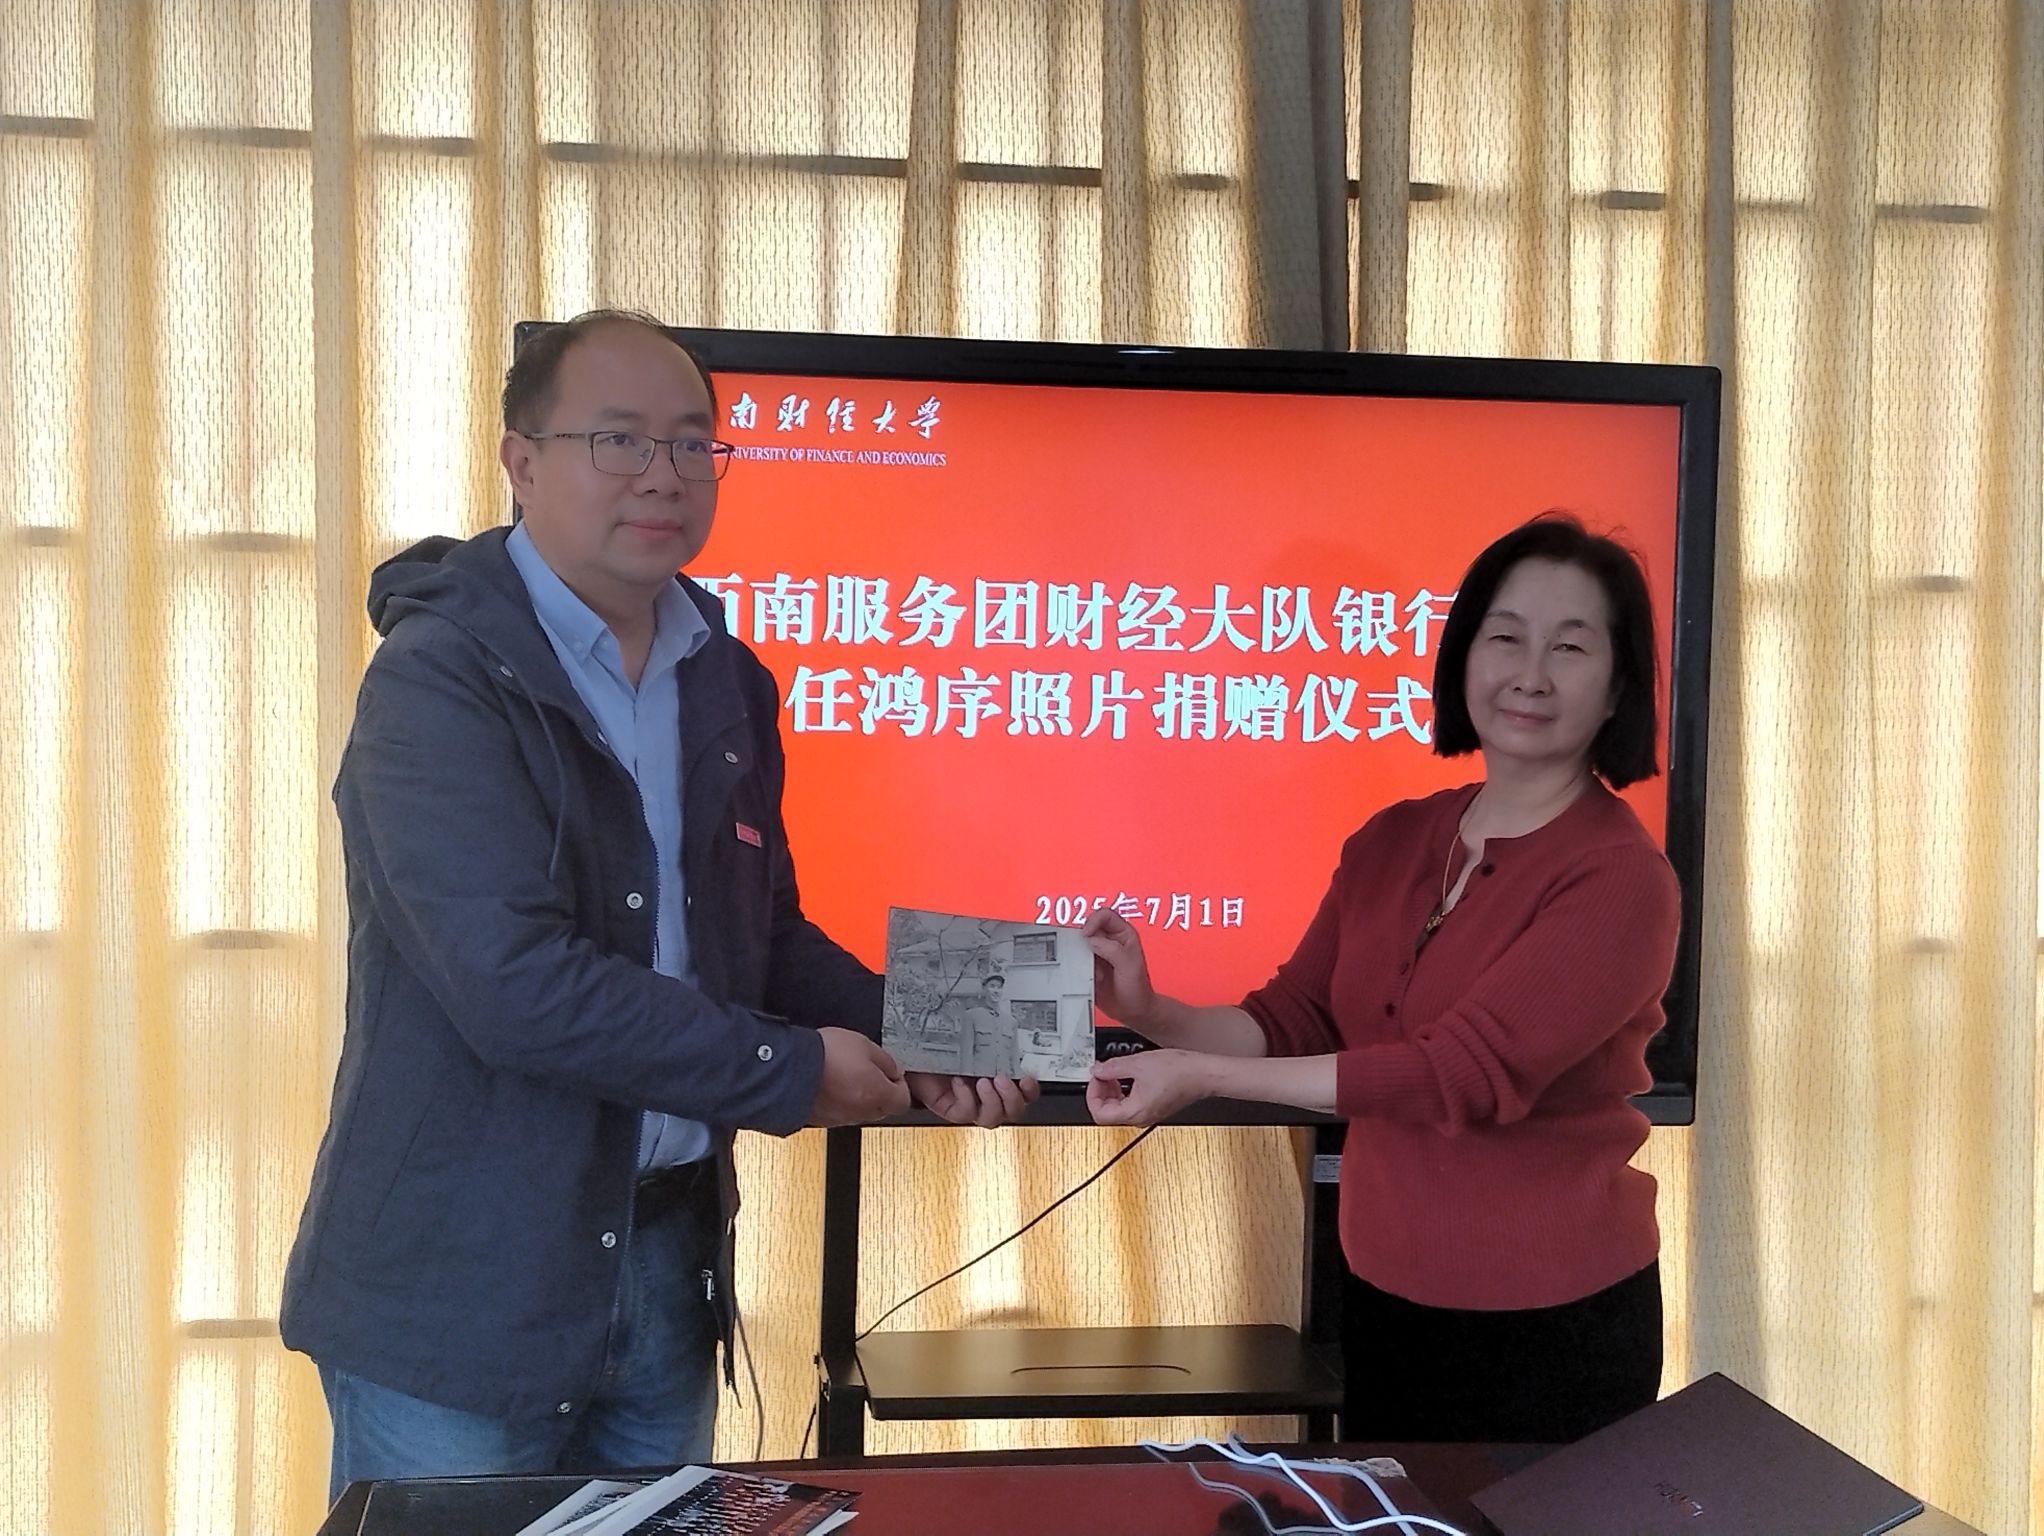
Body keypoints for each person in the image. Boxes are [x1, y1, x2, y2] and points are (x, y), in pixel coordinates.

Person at [281, 309, 1034, 1497]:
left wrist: (949, 1030)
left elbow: (761, 938)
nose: (663, 475)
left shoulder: (721, 673)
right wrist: (793, 1072)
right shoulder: (439, 678)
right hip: (461, 1285)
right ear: (522, 461)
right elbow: (518, 990)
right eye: (618, 439)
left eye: (693, 442)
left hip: (667, 1259)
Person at [1083, 514, 1680, 1445]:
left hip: (1553, 1324)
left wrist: (1201, 1076)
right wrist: (1149, 1009)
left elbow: (1454, 1076)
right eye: (1505, 637)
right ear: (1464, 657)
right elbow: (1291, 1021)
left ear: (1617, 690)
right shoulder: (1392, 839)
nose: (1531, 674)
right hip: (1384, 1296)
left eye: (1570, 647)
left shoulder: (1621, 879)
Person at [958, 973, 1018, 1077]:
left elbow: (1014, 1058)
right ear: (984, 988)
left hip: (1004, 1080)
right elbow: (966, 1056)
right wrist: (967, 1080)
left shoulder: (1011, 1021)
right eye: (992, 986)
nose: (996, 991)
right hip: (980, 1079)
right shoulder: (971, 1016)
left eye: (999, 987)